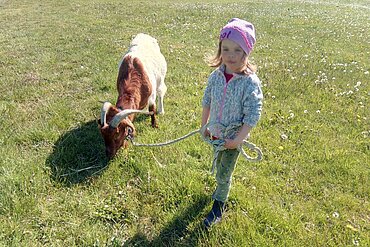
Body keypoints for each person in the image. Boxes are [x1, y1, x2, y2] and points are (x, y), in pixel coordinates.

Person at [201, 18, 263, 228]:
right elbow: (207, 100)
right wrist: (204, 125)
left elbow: (253, 113)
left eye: (237, 50)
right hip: (215, 133)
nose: (230, 55)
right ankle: (219, 188)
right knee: (219, 166)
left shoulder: (249, 82)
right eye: (225, 49)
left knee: (224, 173)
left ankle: (218, 205)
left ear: (247, 52)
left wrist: (238, 139)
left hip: (232, 138)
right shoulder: (216, 76)